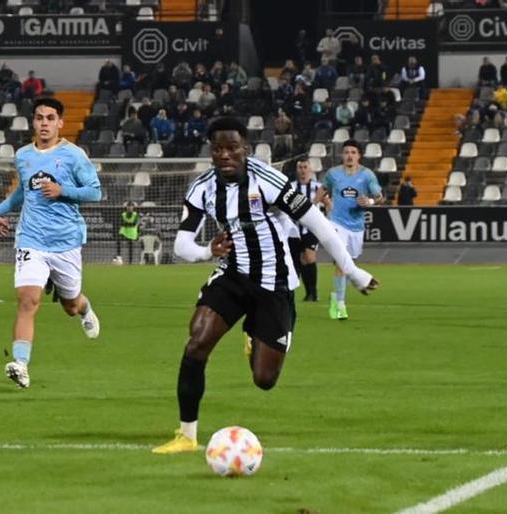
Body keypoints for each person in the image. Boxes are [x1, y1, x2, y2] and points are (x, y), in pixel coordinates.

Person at [151, 117, 378, 454]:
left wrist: (354, 271)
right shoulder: (202, 188)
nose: (225, 155)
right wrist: (205, 252)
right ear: (211, 153)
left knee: (264, 380)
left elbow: (319, 224)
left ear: (245, 149)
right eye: (218, 149)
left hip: (275, 282)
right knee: (197, 342)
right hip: (232, 275)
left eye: (232, 148)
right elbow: (181, 244)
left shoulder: (269, 180)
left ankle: (254, 330)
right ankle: (186, 434)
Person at [0, 97, 102, 389]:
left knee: (70, 305)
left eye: (50, 118)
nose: (44, 123)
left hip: (66, 241)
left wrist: (63, 190)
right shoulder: (23, 155)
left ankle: (86, 308)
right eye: (39, 118)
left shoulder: (74, 155)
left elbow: (94, 192)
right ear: (33, 122)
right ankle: (20, 364)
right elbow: (21, 195)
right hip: (31, 239)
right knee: (28, 300)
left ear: (60, 123)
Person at [321, 140, 383, 321]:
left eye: (353, 152)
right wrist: (311, 206)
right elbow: (324, 189)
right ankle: (340, 304)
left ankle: (338, 294)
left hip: (356, 226)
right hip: (337, 222)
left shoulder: (367, 175)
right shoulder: (333, 174)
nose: (349, 155)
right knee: (342, 262)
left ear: (359, 155)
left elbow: (379, 197)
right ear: (342, 155)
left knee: (349, 263)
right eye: (346, 152)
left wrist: (370, 202)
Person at [289, 159, 325, 302]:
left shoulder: (318, 187)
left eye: (305, 167)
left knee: (309, 257)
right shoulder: (291, 187)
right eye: (300, 167)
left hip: (311, 228)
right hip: (293, 230)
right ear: (297, 170)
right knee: (300, 260)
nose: (303, 170)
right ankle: (308, 292)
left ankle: (313, 292)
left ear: (310, 170)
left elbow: (328, 204)